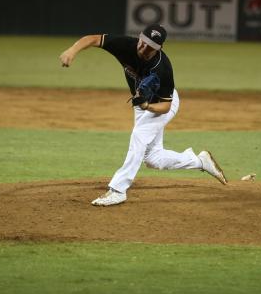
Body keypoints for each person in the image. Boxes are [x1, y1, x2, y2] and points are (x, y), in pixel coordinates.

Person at [59, 24, 227, 206]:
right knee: (154, 159)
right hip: (142, 104)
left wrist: (147, 106)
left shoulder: (163, 68)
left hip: (160, 104)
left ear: (159, 48)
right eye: (143, 42)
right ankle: (199, 161)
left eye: (151, 47)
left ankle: (118, 190)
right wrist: (72, 50)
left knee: (139, 137)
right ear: (139, 37)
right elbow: (93, 39)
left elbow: (166, 105)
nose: (144, 48)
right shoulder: (125, 45)